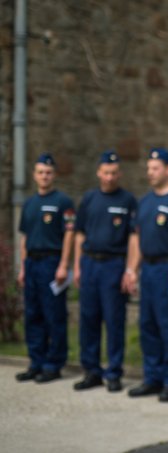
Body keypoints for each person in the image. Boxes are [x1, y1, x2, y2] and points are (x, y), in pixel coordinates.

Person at [123, 148, 168, 402]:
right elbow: (138, 239)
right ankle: (152, 379)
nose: (150, 173)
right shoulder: (144, 202)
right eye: (148, 168)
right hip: (149, 270)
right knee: (148, 326)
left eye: (155, 168)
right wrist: (132, 270)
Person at [72, 150, 137, 392]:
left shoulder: (127, 201)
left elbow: (133, 238)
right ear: (99, 172)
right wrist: (77, 265)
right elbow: (79, 233)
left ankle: (114, 373)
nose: (109, 177)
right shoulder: (89, 199)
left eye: (113, 173)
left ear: (119, 174)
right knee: (88, 319)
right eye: (105, 172)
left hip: (114, 266)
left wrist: (129, 269)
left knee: (114, 321)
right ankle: (91, 371)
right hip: (89, 264)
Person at [15, 153, 75, 383]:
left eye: (48, 172)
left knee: (54, 315)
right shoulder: (29, 204)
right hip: (32, 263)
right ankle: (36, 362)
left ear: (55, 175)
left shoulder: (63, 202)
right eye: (40, 172)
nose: (44, 176)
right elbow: (24, 238)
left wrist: (63, 265)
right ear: (34, 175)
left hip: (52, 263)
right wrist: (22, 268)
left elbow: (69, 233)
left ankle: (53, 364)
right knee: (33, 315)